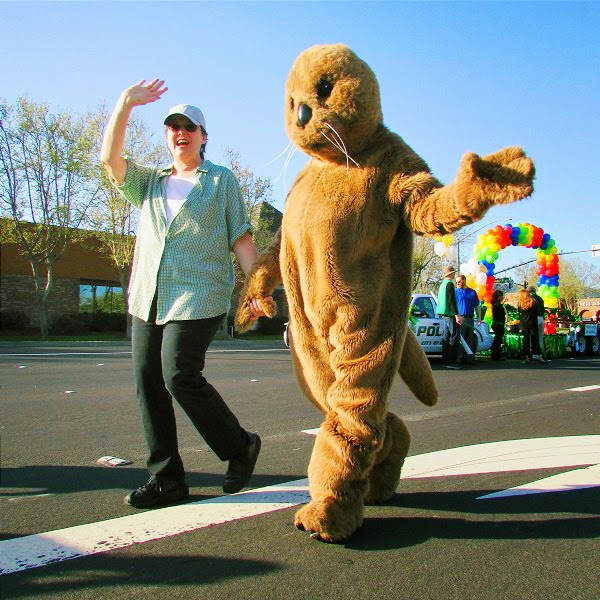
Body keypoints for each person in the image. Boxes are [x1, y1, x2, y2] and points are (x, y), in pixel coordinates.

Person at [100, 79, 265, 508]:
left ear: (203, 137)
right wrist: (124, 104)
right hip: (148, 295)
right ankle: (167, 479)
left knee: (177, 374)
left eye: (189, 127)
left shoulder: (220, 181)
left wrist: (257, 288)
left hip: (199, 294)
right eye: (173, 126)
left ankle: (239, 446)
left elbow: (242, 239)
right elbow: (108, 158)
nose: (180, 132)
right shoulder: (150, 182)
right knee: (148, 382)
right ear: (167, 135)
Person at [436, 265, 462, 369]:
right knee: (455, 336)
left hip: (443, 313)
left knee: (446, 337)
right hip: (450, 313)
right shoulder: (450, 284)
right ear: (451, 274)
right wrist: (457, 315)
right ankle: (451, 361)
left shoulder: (443, 284)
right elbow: (451, 301)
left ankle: (445, 360)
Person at [455, 274, 482, 365]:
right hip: (460, 318)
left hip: (470, 318)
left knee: (469, 338)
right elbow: (453, 306)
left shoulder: (472, 292)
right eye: (456, 282)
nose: (457, 283)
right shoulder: (456, 292)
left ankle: (469, 358)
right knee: (461, 339)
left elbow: (477, 306)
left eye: (459, 281)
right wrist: (456, 316)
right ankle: (459, 359)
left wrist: (479, 318)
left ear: (464, 280)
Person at [517, 289, 547, 364]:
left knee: (526, 341)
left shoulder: (520, 303)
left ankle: (526, 357)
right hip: (532, 322)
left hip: (524, 323)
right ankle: (539, 356)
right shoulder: (533, 302)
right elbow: (537, 312)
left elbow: (519, 312)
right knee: (535, 340)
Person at [527, 285, 546, 360]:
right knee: (540, 336)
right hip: (541, 318)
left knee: (533, 336)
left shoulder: (530, 299)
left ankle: (533, 352)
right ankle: (541, 352)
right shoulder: (540, 298)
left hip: (534, 318)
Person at [490, 289, 507, 361]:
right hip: (498, 323)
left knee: (498, 340)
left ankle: (497, 355)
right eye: (501, 296)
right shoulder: (496, 305)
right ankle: (495, 355)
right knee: (497, 340)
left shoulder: (496, 304)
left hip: (498, 323)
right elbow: (498, 312)